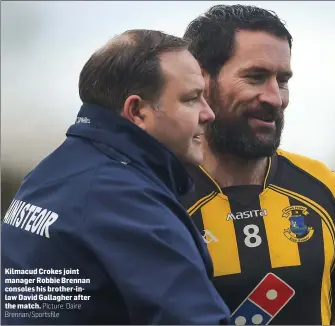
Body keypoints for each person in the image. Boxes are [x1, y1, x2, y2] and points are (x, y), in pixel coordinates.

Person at [1, 29, 231, 325]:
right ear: (137, 111)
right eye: (191, 99)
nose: (208, 113)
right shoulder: (125, 201)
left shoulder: (51, 172)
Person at [180, 5, 335, 325]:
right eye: (255, 77)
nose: (274, 98)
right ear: (200, 81)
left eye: (282, 81)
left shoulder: (328, 189)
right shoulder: (153, 196)